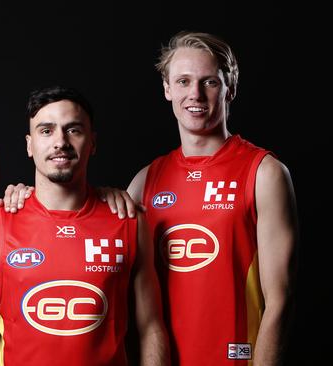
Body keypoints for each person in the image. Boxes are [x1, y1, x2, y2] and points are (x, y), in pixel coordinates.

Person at [0, 86, 169, 366]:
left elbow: (150, 330)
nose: (60, 142)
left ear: (92, 142)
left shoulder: (128, 223)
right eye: (46, 131)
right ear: (30, 145)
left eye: (73, 130)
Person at [126, 31, 298, 365]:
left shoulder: (264, 172)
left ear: (230, 87)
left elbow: (280, 300)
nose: (195, 94)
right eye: (183, 81)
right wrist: (26, 196)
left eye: (209, 82)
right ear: (167, 89)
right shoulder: (145, 181)